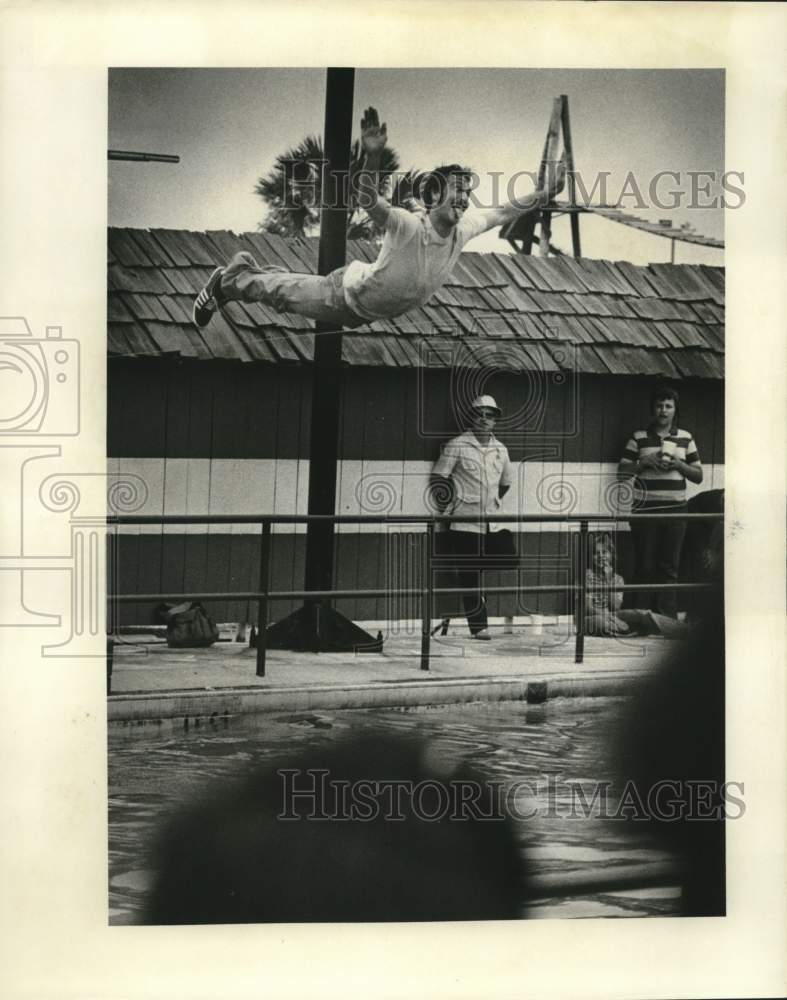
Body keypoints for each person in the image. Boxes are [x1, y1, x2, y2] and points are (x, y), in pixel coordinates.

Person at [192, 106, 566, 329]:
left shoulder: (463, 229)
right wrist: (371, 157)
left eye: (468, 193)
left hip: (365, 313)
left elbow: (504, 211)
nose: (464, 200)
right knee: (281, 295)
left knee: (284, 288)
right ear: (434, 194)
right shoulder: (407, 225)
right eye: (457, 191)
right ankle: (225, 284)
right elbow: (369, 200)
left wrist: (545, 193)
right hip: (343, 297)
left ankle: (243, 269)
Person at [430, 395, 516, 640]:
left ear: (495, 420)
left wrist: (492, 501)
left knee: (486, 569)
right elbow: (439, 478)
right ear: (471, 418)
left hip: (491, 521)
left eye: (490, 415)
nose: (484, 419)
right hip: (464, 520)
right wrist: (452, 503)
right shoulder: (457, 445)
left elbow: (505, 483)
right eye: (480, 414)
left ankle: (479, 609)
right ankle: (479, 626)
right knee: (469, 573)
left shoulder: (501, 449)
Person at [617, 386, 702, 619]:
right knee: (644, 566)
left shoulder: (685, 438)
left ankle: (667, 620)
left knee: (669, 567)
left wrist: (679, 465)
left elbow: (698, 475)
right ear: (652, 409)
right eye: (659, 405)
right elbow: (621, 474)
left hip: (677, 512)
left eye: (668, 406)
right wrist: (644, 462)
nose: (663, 410)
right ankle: (640, 617)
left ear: (675, 410)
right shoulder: (639, 438)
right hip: (645, 511)